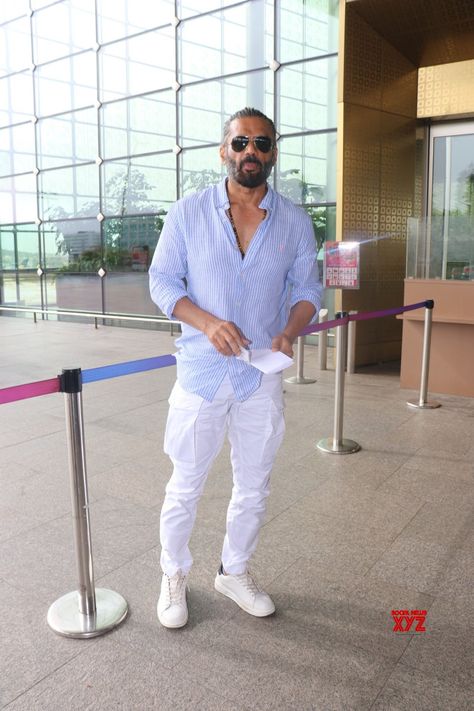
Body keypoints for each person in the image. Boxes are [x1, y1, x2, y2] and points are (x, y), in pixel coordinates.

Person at [149, 107, 322, 628]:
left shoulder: (294, 222)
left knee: (255, 483)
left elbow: (309, 290)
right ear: (224, 151)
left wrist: (291, 330)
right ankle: (173, 575)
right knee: (186, 483)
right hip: (202, 371)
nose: (252, 152)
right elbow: (162, 282)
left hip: (260, 376)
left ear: (273, 154)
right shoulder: (187, 213)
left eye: (262, 143)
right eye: (241, 142)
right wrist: (206, 322)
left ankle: (234, 571)